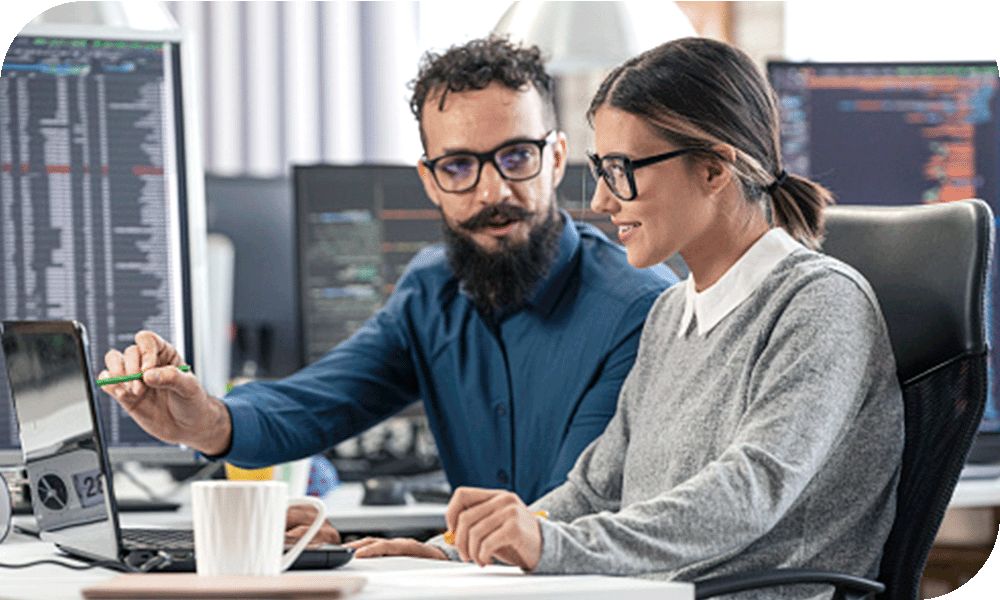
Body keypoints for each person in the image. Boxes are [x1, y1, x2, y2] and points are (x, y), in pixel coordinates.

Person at [350, 36, 906, 595]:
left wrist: (550, 548)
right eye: (601, 170)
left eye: (622, 170)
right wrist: (457, 552)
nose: (601, 202)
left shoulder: (819, 303)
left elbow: (750, 493)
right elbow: (593, 493)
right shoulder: (670, 313)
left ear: (713, 170)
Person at [99, 37, 675, 542]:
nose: (491, 191)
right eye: (458, 167)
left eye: (516, 156)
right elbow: (317, 402)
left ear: (555, 159)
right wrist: (205, 421)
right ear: (429, 180)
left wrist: (430, 555)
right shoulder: (431, 291)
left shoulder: (637, 308)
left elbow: (574, 513)